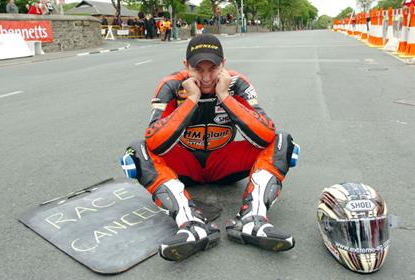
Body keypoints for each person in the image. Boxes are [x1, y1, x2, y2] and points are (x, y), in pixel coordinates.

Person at [120, 34, 299, 261]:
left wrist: (224, 96)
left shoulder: (237, 83)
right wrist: (192, 100)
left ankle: (253, 219)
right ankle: (191, 223)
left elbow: (265, 134)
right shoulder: (171, 85)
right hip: (185, 166)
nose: (206, 78)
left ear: (223, 64)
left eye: (213, 68)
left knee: (282, 141)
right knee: (138, 150)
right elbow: (154, 141)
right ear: (186, 66)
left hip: (222, 163)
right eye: (198, 69)